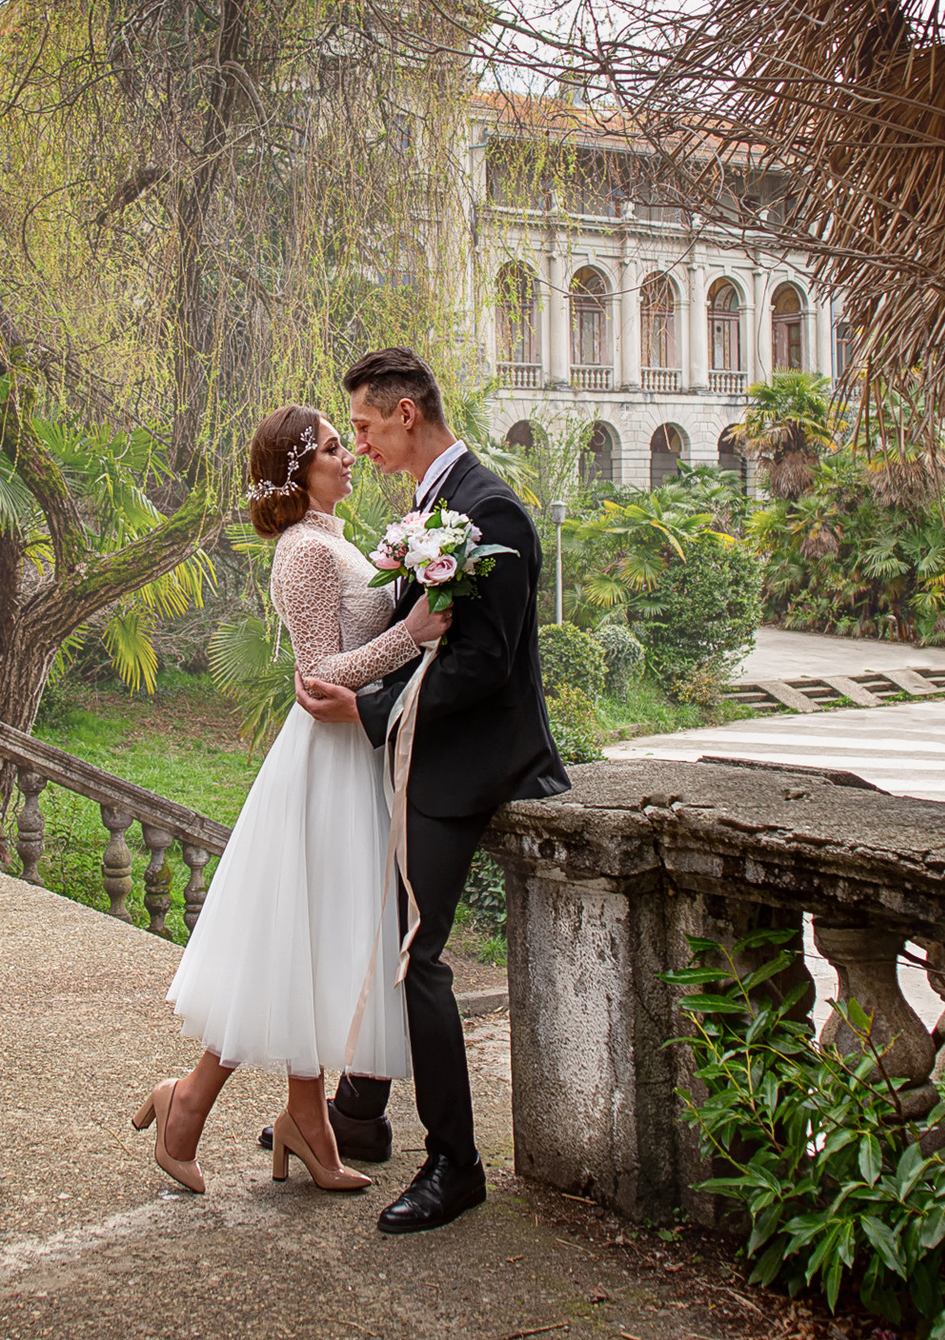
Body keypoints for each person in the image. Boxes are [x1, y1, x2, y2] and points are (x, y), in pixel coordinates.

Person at [133, 404, 452, 1195]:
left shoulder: (338, 539)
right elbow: (319, 672)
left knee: (307, 944)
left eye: (347, 445)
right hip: (323, 761)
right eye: (335, 448)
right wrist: (412, 632)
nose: (352, 456)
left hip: (354, 756)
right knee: (293, 940)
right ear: (298, 469)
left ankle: (297, 1122)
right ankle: (196, 1104)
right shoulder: (303, 553)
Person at [296, 346, 568, 1236]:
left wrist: (369, 711)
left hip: (473, 763)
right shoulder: (430, 507)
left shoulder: (492, 513)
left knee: (415, 954)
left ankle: (457, 1162)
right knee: (384, 933)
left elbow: (487, 667)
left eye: (367, 427)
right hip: (423, 752)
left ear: (407, 414)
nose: (362, 446)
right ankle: (362, 1115)